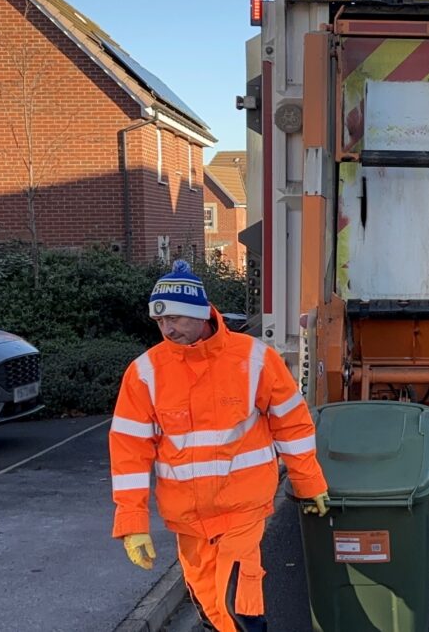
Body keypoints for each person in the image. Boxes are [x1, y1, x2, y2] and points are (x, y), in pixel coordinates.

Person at [109, 260, 329, 632]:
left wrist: (310, 483)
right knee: (212, 611)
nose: (167, 329)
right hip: (189, 522)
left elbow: (291, 424)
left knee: (239, 607)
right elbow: (129, 451)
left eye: (176, 319)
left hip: (241, 513)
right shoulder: (145, 372)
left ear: (201, 313)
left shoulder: (254, 359)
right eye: (160, 322)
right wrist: (132, 522)